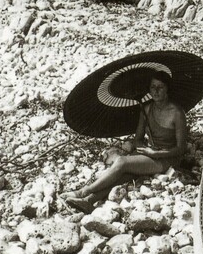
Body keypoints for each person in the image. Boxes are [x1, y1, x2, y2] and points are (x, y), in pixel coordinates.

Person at [63, 71, 187, 213]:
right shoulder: (146, 109)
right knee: (125, 175)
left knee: (122, 162)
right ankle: (89, 201)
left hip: (168, 158)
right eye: (153, 87)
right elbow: (138, 139)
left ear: (167, 89)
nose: (156, 91)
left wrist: (155, 153)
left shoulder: (177, 113)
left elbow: (180, 148)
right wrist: (142, 148)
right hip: (150, 153)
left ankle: (82, 192)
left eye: (160, 87)